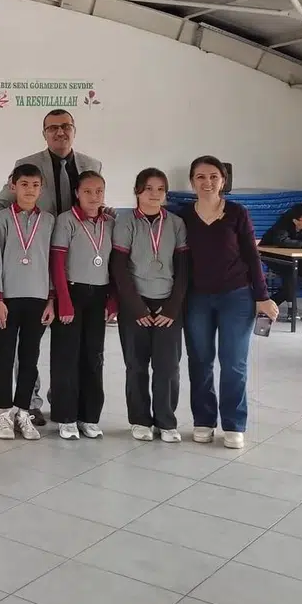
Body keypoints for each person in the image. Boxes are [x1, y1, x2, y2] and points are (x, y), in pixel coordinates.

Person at [0, 108, 103, 422]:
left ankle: (63, 397)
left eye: (65, 126)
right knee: (27, 344)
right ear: (44, 134)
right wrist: (24, 224)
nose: (60, 132)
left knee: (68, 343)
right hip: (36, 265)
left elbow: (93, 203)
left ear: (74, 130)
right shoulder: (26, 165)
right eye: (52, 128)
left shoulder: (92, 165)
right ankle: (31, 401)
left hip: (76, 267)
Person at [180, 155, 277, 450]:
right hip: (197, 298)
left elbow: (251, 255)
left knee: (234, 363)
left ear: (223, 180)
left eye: (213, 176)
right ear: (192, 181)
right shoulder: (182, 216)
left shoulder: (237, 213)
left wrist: (262, 296)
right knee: (200, 361)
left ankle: (234, 424)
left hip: (237, 297)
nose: (207, 182)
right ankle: (203, 420)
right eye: (200, 177)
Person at [112, 169, 188, 443]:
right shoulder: (125, 222)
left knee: (168, 367)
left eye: (160, 189)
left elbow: (183, 269)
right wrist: (137, 307)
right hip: (135, 305)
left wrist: (172, 308)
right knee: (136, 366)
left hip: (168, 305)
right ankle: (140, 419)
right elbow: (119, 268)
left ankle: (166, 421)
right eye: (148, 188)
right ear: (137, 191)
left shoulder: (176, 224)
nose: (154, 194)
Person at [0, 164, 56, 440]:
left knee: (30, 357)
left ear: (42, 189)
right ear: (13, 186)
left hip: (38, 298)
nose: (30, 190)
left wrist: (51, 299)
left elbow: (52, 262)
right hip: (8, 299)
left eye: (35, 185)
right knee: (5, 356)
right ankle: (3, 412)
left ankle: (23, 411)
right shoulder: (3, 218)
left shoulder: (49, 221)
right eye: (24, 184)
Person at [49, 171, 112, 440]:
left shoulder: (110, 222)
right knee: (66, 356)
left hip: (99, 295)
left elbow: (114, 264)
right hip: (72, 293)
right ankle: (66, 417)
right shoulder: (66, 221)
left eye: (99, 191)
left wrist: (113, 300)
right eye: (87, 191)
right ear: (77, 193)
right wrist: (63, 302)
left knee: (94, 357)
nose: (94, 197)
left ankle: (89, 416)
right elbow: (57, 264)